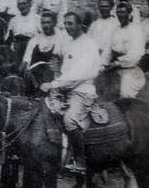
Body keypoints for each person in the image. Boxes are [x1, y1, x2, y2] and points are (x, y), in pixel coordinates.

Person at [40, 12, 102, 173]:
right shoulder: (66, 40)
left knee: (69, 120)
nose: (67, 27)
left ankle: (81, 160)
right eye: (65, 23)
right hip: (64, 87)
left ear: (80, 25)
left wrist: (54, 84)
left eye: (70, 24)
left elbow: (77, 75)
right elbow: (57, 57)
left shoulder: (89, 45)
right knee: (44, 111)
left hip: (82, 90)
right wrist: (54, 66)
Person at [106, 2, 146, 98]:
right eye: (118, 12)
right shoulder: (115, 30)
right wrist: (103, 63)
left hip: (129, 69)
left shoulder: (136, 29)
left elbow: (136, 53)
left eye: (123, 12)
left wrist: (117, 63)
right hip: (113, 68)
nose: (120, 15)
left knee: (125, 93)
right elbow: (107, 50)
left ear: (129, 14)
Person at [6, 0, 41, 64]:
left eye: (24, 3)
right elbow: (8, 37)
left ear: (30, 4)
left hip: (32, 49)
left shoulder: (37, 19)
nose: (22, 6)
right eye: (19, 4)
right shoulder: (13, 20)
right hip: (17, 50)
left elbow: (42, 36)